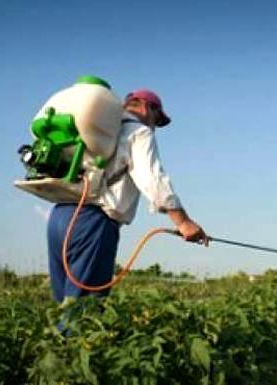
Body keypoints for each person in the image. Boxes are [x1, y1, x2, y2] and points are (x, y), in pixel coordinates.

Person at [47, 88, 208, 303]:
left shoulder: (98, 130)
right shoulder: (138, 132)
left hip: (60, 216)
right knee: (84, 312)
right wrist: (183, 222)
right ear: (146, 107)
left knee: (63, 304)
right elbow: (152, 179)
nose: (155, 126)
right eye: (157, 119)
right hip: (92, 221)